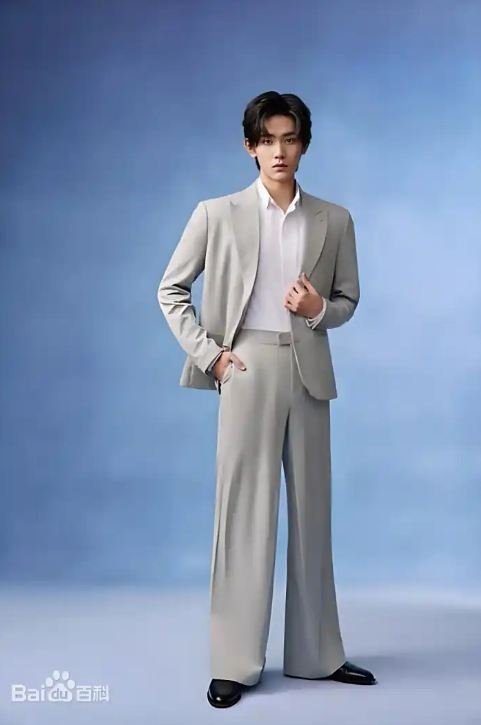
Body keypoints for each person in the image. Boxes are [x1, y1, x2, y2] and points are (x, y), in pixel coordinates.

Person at [157, 90, 377, 709]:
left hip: (308, 371)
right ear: (250, 147)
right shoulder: (216, 213)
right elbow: (171, 290)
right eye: (268, 140)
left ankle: (317, 655)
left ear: (303, 145)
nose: (279, 151)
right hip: (246, 367)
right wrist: (213, 356)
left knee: (312, 516)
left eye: (290, 138)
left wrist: (319, 309)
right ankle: (233, 661)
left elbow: (347, 301)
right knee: (243, 516)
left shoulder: (334, 219)